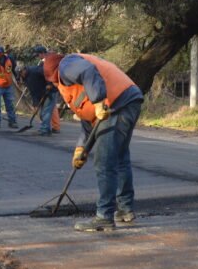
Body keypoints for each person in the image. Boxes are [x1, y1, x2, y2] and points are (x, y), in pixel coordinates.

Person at [45, 51, 144, 232]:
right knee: (119, 158)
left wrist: (99, 102)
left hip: (117, 103)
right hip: (129, 99)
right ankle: (125, 209)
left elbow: (88, 71)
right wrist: (80, 150)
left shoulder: (66, 66)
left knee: (104, 161)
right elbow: (88, 121)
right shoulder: (75, 84)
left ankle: (104, 217)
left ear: (53, 77)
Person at [30, 46, 60, 135]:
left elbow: (51, 73)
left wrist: (49, 84)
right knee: (52, 108)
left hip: (51, 86)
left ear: (42, 53)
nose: (37, 57)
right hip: (48, 86)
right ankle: (54, 127)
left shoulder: (49, 61)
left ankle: (46, 128)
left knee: (47, 109)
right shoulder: (43, 61)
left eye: (38, 55)